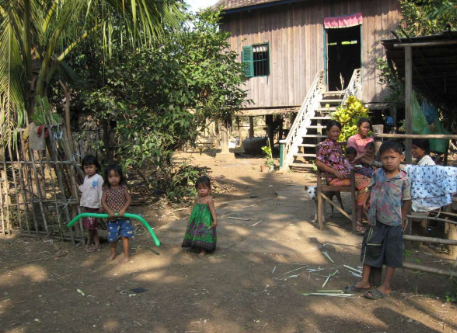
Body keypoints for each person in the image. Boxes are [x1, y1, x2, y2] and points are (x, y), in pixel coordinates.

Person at [345, 140, 411, 299]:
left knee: (391, 254)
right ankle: (365, 281)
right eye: (385, 157)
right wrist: (366, 201)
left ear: (401, 158)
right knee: (369, 249)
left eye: (393, 157)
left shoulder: (404, 179)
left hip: (394, 223)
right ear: (380, 158)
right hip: (375, 221)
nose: (389, 161)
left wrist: (402, 218)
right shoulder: (377, 174)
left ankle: (386, 286)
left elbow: (407, 200)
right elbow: (370, 187)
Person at [316, 120, 371, 234]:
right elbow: (318, 162)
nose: (336, 134)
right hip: (335, 179)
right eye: (333, 131)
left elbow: (341, 162)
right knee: (365, 183)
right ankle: (358, 221)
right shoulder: (325, 145)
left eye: (337, 131)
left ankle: (360, 213)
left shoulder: (337, 145)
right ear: (327, 132)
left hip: (345, 176)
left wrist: (350, 168)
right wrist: (335, 172)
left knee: (370, 181)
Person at [102, 164, 133, 263]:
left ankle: (126, 256)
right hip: (112, 219)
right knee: (113, 238)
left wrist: (123, 209)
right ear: (107, 178)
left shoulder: (123, 188)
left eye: (116, 176)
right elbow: (103, 202)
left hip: (124, 218)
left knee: (124, 236)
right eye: (110, 177)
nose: (113, 179)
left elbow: (128, 200)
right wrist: (109, 211)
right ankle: (113, 254)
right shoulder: (106, 189)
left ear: (120, 176)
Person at [182, 176, 217, 257]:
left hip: (205, 221)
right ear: (196, 189)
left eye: (204, 188)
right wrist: (190, 218)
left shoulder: (209, 199)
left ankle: (203, 250)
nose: (202, 190)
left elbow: (212, 210)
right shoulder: (197, 198)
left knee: (203, 233)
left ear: (209, 188)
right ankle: (197, 246)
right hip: (197, 220)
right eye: (199, 188)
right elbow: (193, 208)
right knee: (196, 232)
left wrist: (215, 220)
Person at [78, 155, 104, 252]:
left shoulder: (98, 178)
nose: (88, 169)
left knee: (91, 226)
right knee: (90, 226)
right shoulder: (86, 178)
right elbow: (85, 189)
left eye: (91, 167)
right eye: (86, 167)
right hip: (87, 205)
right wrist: (78, 187)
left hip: (94, 206)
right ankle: (96, 244)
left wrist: (101, 205)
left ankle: (91, 242)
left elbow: (101, 192)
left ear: (96, 167)